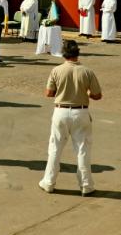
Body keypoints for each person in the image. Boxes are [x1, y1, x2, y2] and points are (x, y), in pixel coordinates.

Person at [39, 40, 102, 196]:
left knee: (55, 148)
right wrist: (86, 93)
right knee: (83, 149)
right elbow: (97, 95)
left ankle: (49, 182)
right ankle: (86, 185)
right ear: (77, 53)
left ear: (64, 54)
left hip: (60, 111)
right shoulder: (87, 71)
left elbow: (49, 93)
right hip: (81, 112)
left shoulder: (56, 70)